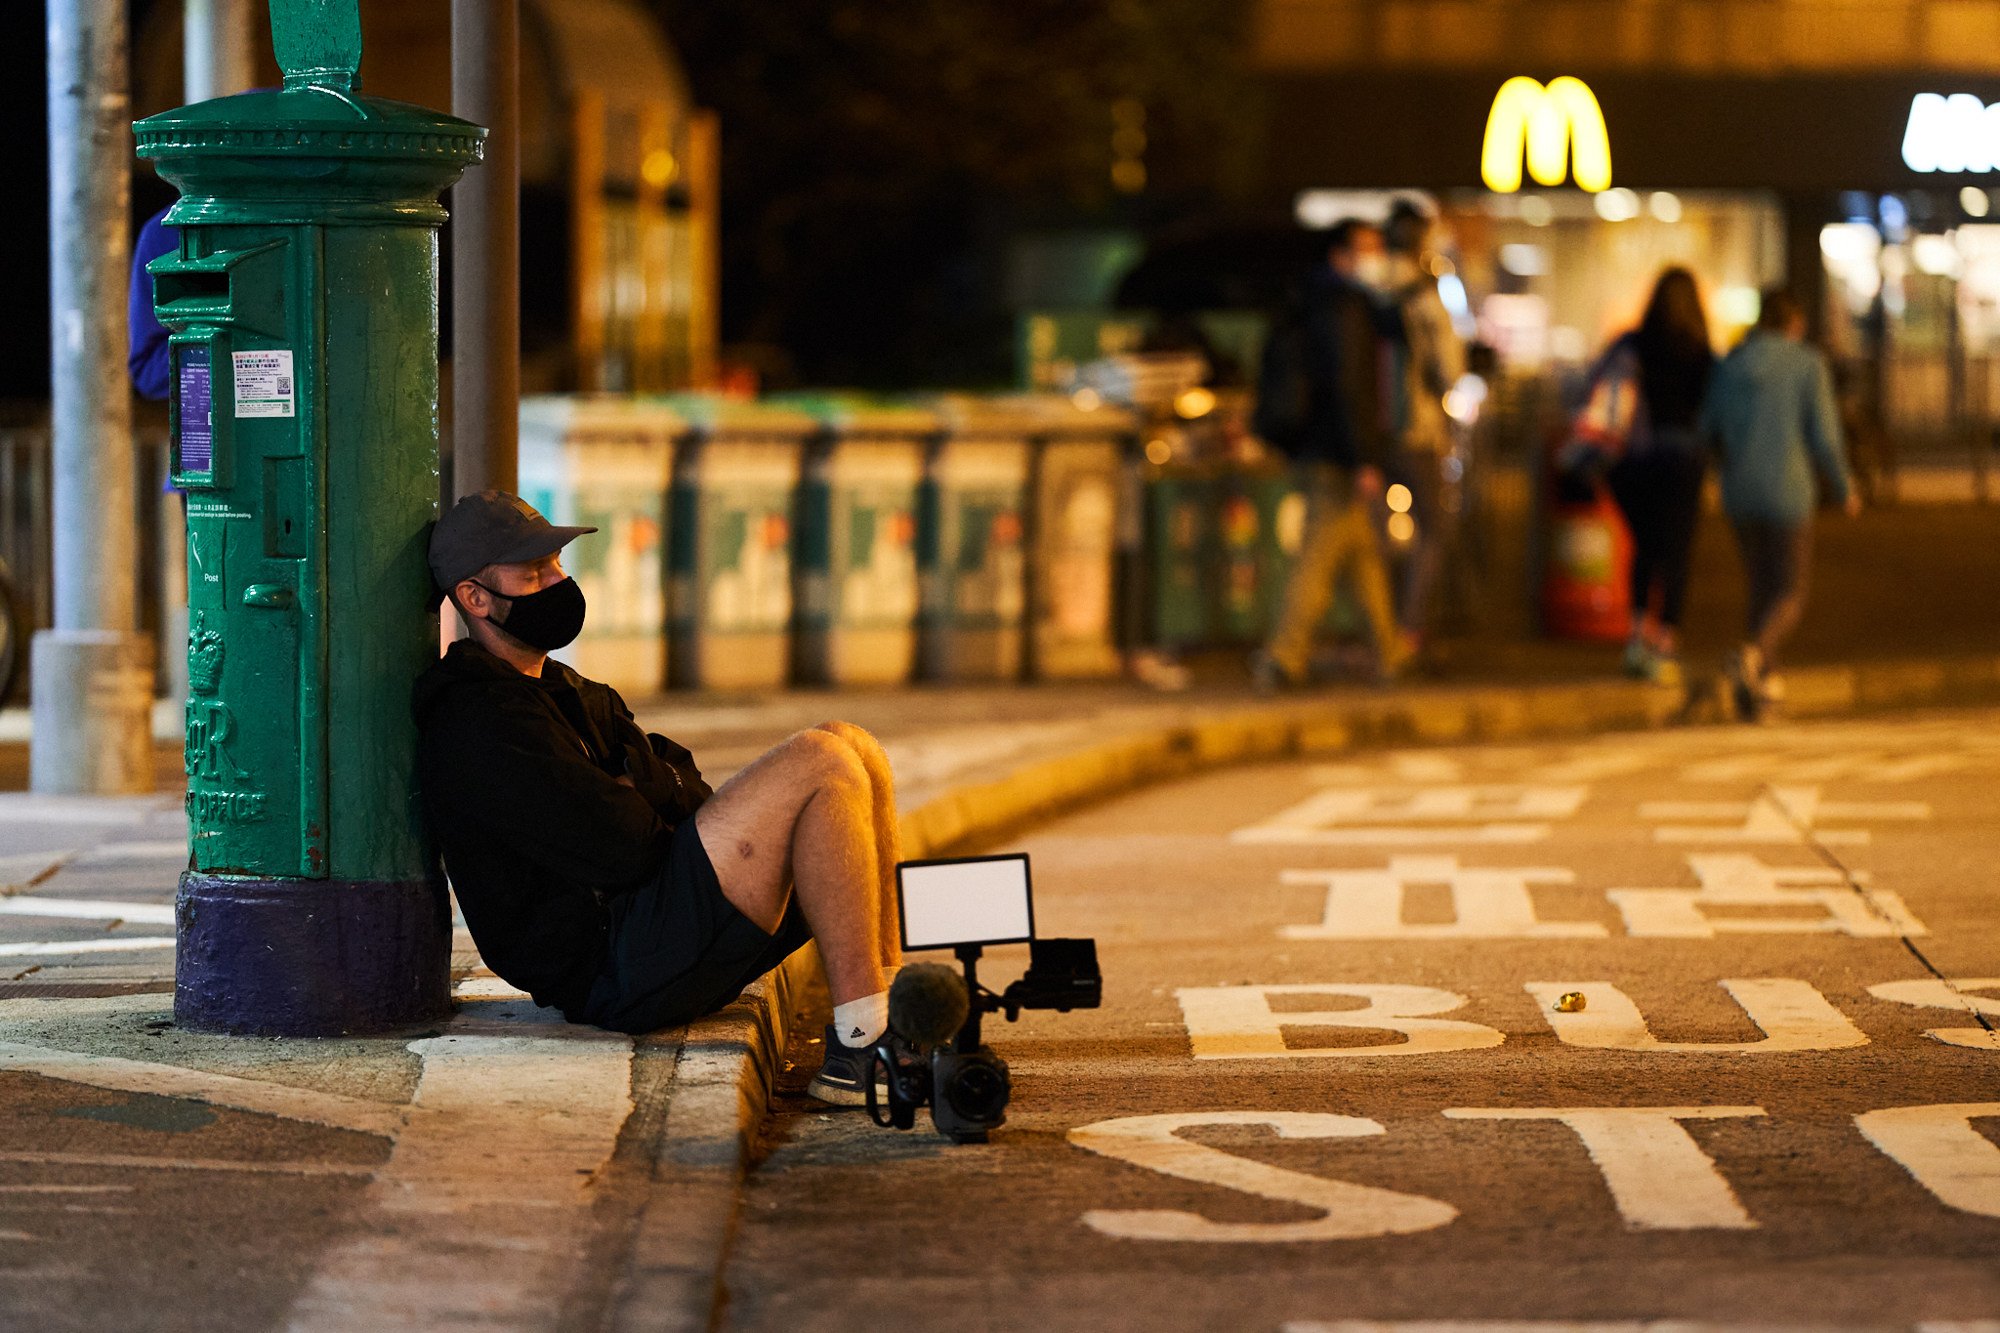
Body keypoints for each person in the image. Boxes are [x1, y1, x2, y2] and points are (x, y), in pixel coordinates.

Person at [412, 491, 904, 1104]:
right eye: (534, 574)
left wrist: (636, 786)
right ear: (475, 598)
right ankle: (861, 1048)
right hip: (613, 966)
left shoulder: (568, 689)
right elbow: (625, 849)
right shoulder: (478, 716)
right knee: (821, 761)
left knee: (852, 746)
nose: (557, 582)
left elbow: (684, 786)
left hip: (649, 924)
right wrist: (643, 792)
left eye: (557, 564)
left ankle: (886, 1012)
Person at [1250, 219, 1412, 691]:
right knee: (1318, 557)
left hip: (1323, 446)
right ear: (1339, 255)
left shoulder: (1320, 302)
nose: (1376, 259)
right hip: (1335, 452)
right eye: (1367, 249)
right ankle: (1283, 657)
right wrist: (1362, 457)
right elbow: (1349, 389)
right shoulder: (1344, 307)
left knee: (1362, 555)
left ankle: (1390, 651)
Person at [1699, 290, 1859, 720]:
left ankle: (1764, 689)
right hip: (1788, 490)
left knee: (1761, 587)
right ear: (1794, 322)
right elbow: (1825, 435)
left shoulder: (1730, 365)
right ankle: (1754, 655)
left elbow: (1707, 428)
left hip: (1740, 492)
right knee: (1790, 591)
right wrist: (1845, 487)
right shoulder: (1806, 364)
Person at [1574, 267, 1716, 687]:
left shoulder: (1632, 343)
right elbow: (1711, 410)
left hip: (1631, 461)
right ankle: (1665, 642)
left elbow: (1591, 386)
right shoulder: (1699, 351)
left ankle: (1636, 638)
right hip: (1682, 459)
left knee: (1644, 547)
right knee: (1676, 553)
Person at [1382, 199, 1467, 648]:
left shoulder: (1369, 284)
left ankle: (1380, 628)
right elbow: (1449, 370)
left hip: (1372, 431)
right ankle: (1408, 628)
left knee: (1375, 529)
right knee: (1435, 528)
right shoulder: (1425, 294)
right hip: (1417, 429)